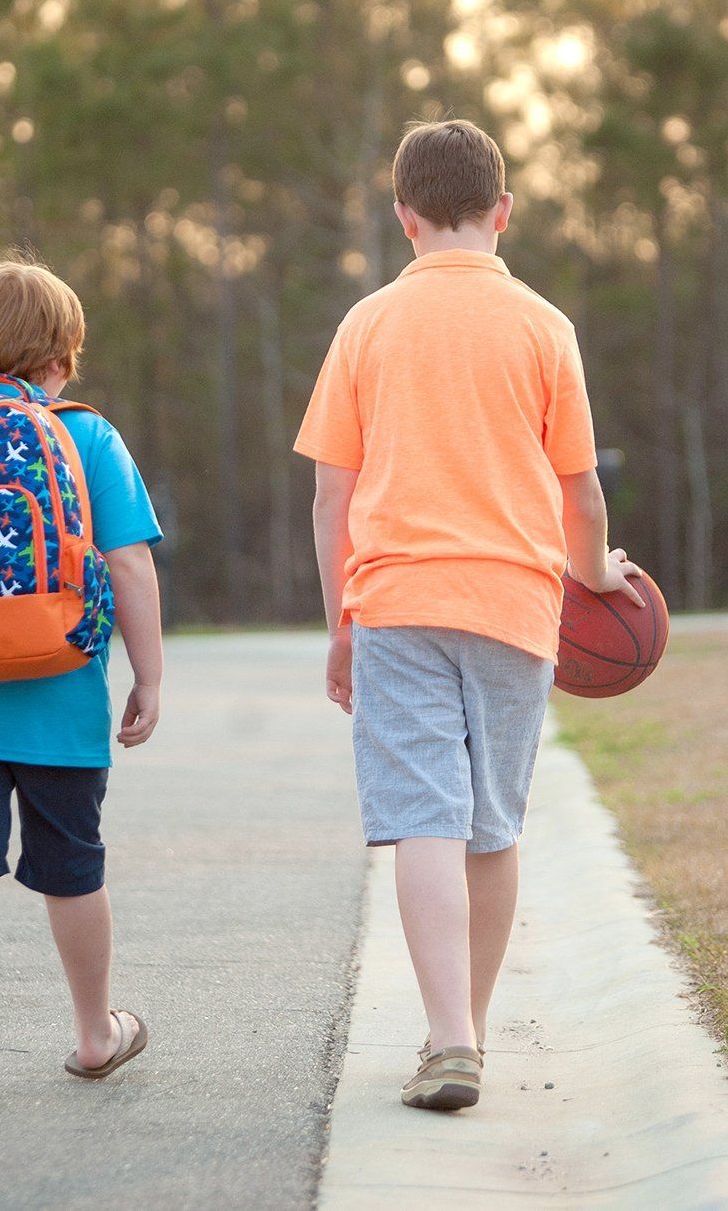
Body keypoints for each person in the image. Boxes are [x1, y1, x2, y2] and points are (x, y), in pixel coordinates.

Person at [294, 119, 643, 1112]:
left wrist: (341, 624)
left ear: (403, 217)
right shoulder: (543, 326)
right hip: (516, 604)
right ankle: (470, 1036)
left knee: (422, 820)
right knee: (490, 825)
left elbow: (331, 496)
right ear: (504, 211)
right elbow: (579, 492)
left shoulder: (366, 325)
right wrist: (596, 576)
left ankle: (446, 1036)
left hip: (397, 601)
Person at [0, 257, 163, 1101]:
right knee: (71, 864)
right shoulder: (85, 436)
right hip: (61, 692)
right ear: (60, 357)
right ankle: (93, 1036)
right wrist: (148, 676)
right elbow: (128, 564)